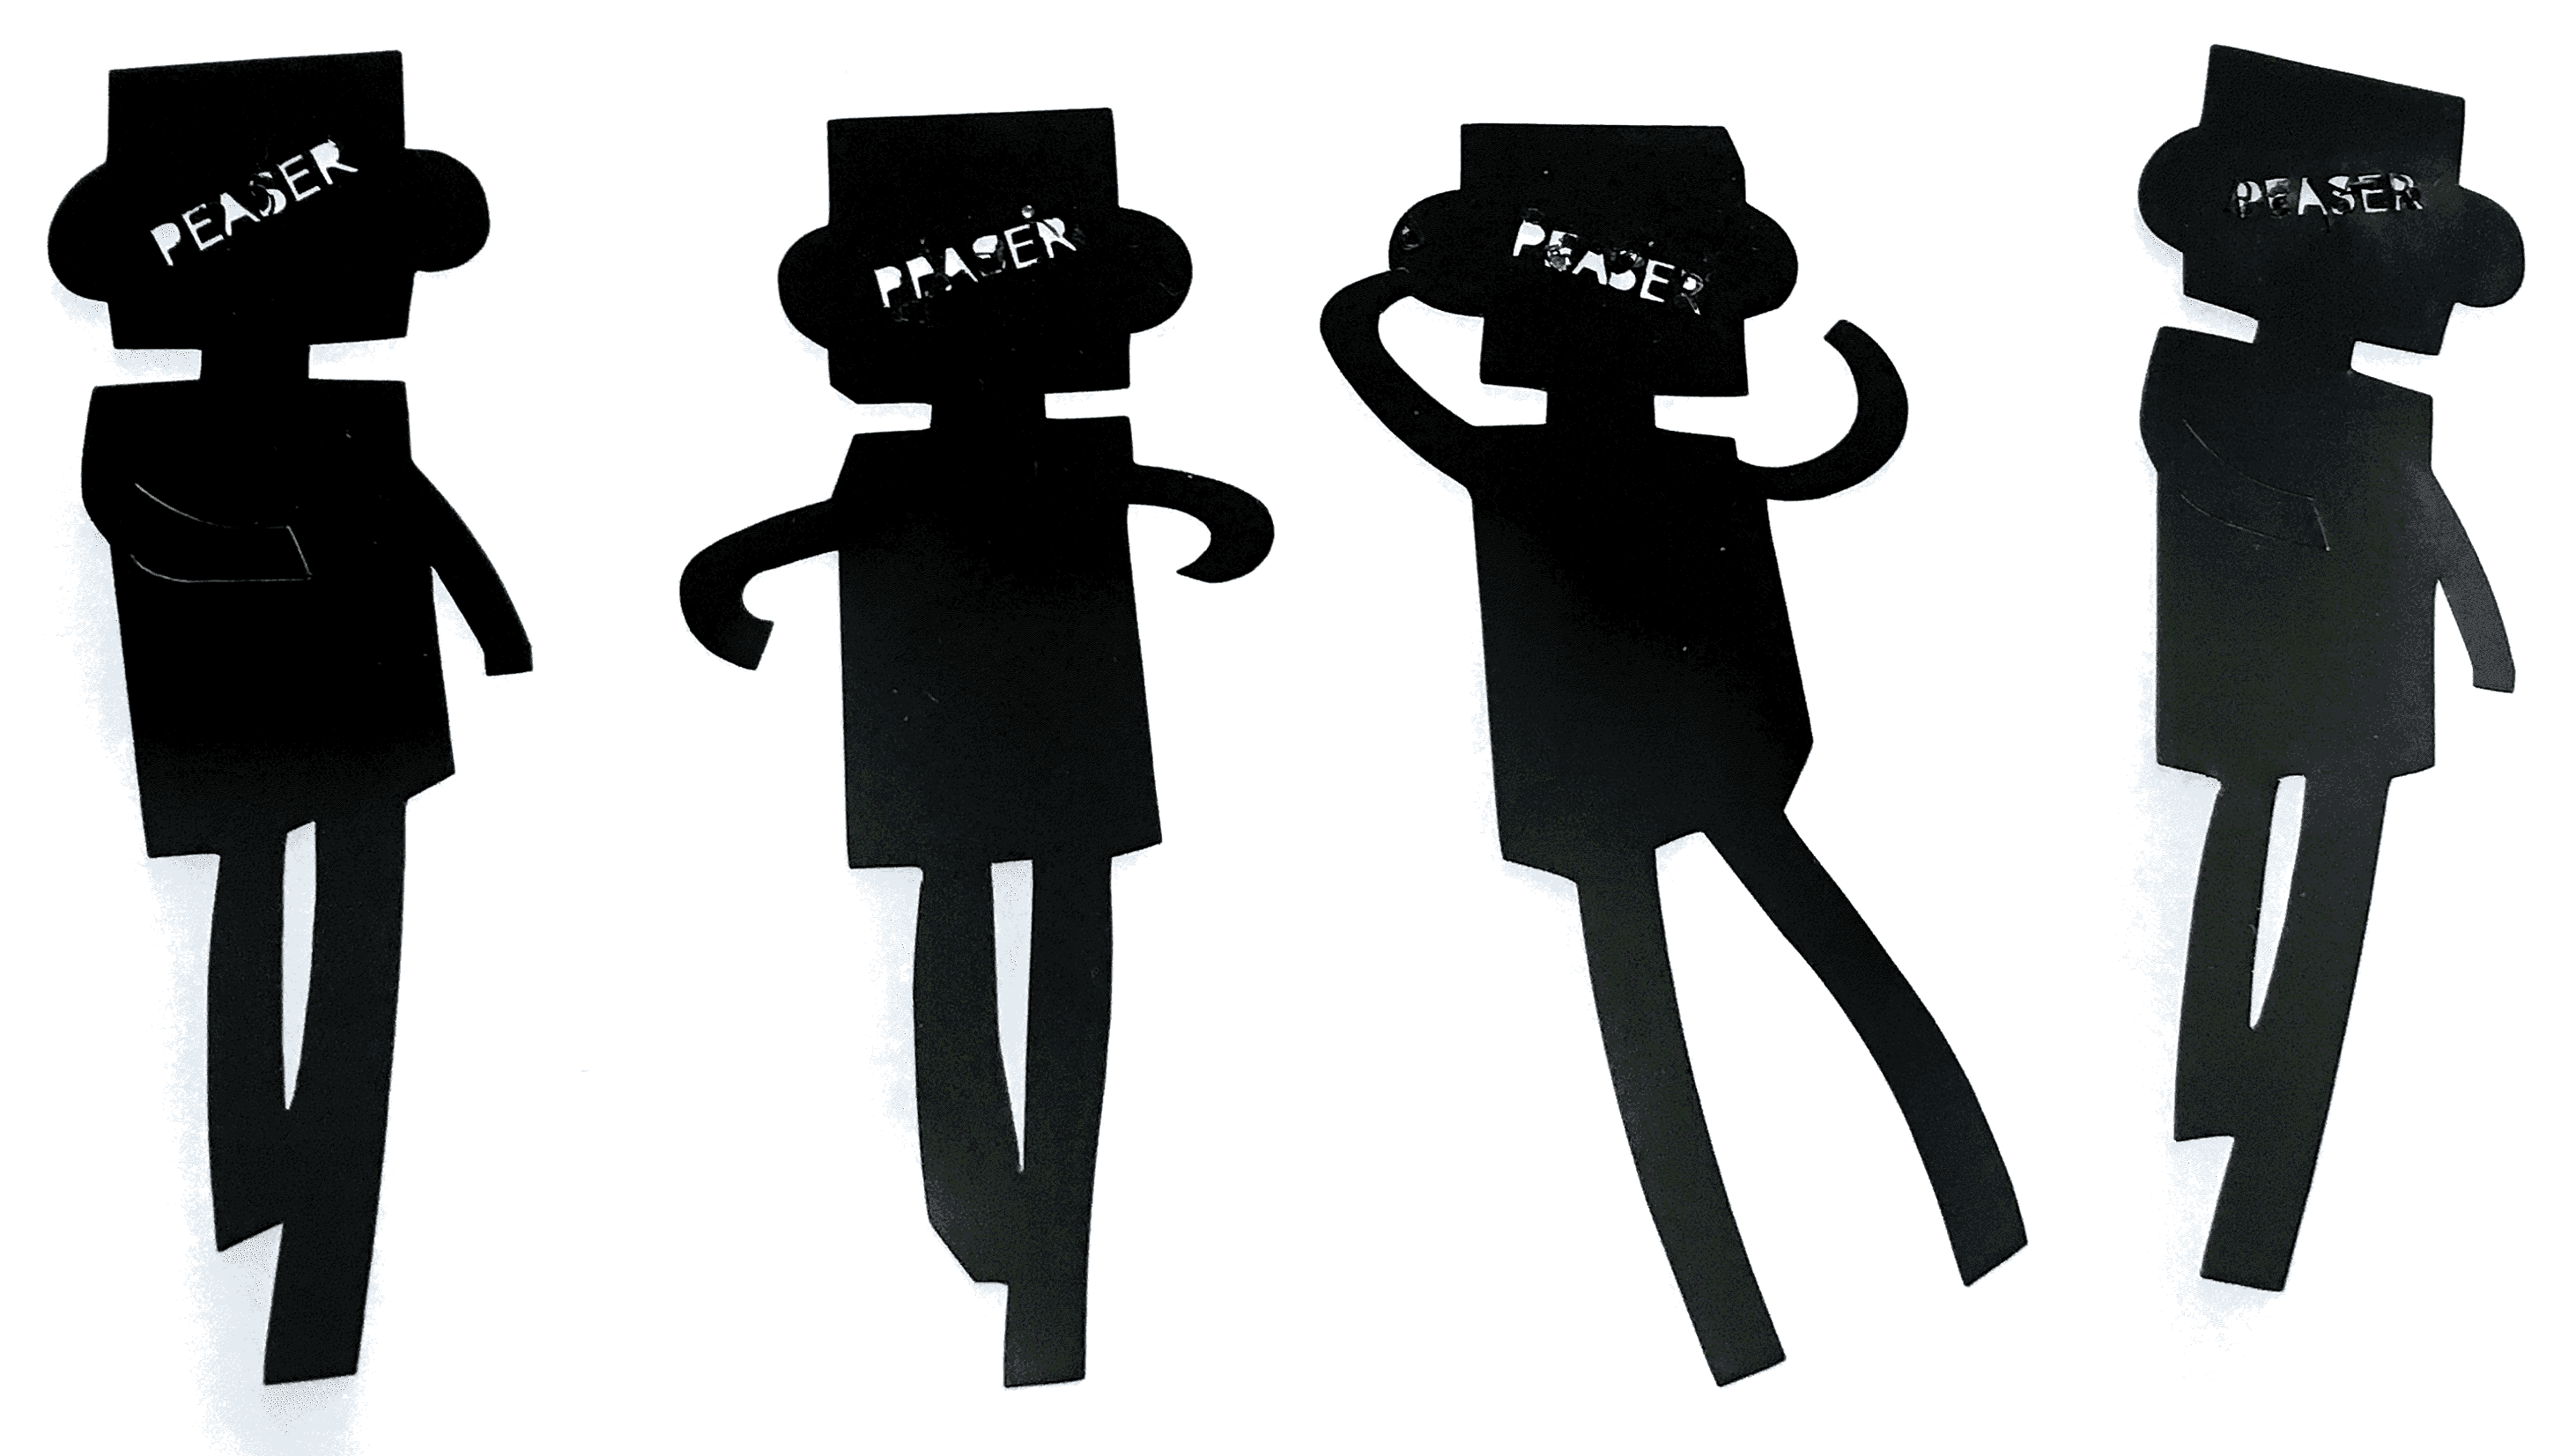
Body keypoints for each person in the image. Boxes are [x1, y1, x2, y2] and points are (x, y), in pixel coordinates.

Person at [1321, 122, 2024, 1385]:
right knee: (1700, 944)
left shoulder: (1549, 462)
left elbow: (1839, 450)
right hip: (1648, 738)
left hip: (1676, 733)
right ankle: (1816, 1293)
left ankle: (1838, 1286)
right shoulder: (1572, 464)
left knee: (1697, 942)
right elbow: (1842, 447)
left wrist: (1373, 308)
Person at [681, 107, 1270, 1387]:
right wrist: (731, 585)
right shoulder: (899, 469)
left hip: (1051, 707)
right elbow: (823, 529)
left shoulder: (1067, 454)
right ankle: (990, 1217)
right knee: (964, 927)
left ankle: (1042, 1241)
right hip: (940, 712)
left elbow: (1155, 499)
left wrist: (1211, 517)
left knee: (1049, 930)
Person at [49, 50, 529, 1383]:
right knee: (250, 904)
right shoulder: (139, 421)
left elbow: (417, 511)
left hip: (366, 681)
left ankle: (312, 1262)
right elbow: (129, 514)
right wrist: (273, 559)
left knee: (356, 935)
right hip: (227, 686)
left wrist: (495, 634)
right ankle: (259, 1190)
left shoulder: (352, 414)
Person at [2139, 47, 2521, 1291]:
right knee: (2242, 825)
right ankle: (2214, 1093)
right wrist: (2276, 520)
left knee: (2330, 889)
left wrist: (2480, 638)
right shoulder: (2198, 368)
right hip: (2251, 641)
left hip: (2366, 664)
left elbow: (2423, 514)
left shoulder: (2385, 412)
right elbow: (2179, 454)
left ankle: (2255, 1177)